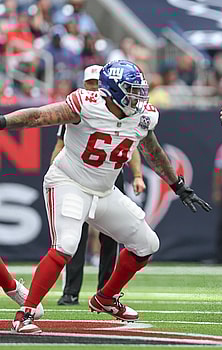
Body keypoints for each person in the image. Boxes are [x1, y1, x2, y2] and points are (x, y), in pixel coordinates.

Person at [5, 59, 211, 334]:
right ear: (113, 89)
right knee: (66, 244)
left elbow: (154, 151)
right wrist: (3, 121)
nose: (138, 96)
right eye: (131, 89)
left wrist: (178, 185)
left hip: (104, 190)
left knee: (147, 243)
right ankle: (25, 314)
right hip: (69, 181)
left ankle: (106, 297)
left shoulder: (141, 115)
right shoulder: (86, 104)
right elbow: (38, 116)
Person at [51, 65, 146, 306]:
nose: (94, 87)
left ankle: (106, 291)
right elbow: (61, 145)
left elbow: (133, 147)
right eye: (90, 83)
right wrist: (56, 175)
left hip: (110, 175)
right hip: (78, 176)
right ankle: (71, 290)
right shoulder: (79, 108)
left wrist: (137, 175)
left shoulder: (125, 110)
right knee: (74, 234)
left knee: (111, 235)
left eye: (97, 82)